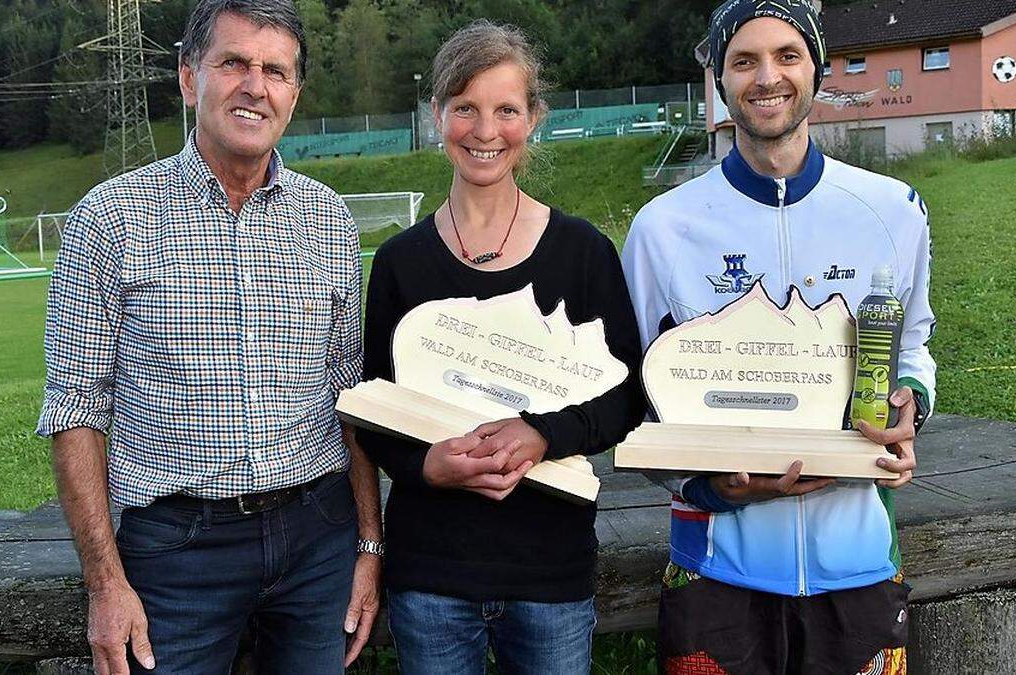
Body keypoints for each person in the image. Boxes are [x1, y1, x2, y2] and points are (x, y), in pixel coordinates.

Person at [36, 1, 382, 673]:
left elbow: (350, 395)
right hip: (174, 548)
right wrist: (106, 583)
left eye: (274, 70)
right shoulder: (109, 222)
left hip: (318, 534)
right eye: (233, 63)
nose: (255, 84)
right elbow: (75, 410)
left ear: (294, 93)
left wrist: (368, 543)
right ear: (190, 77)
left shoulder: (330, 220)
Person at [621, 1, 936, 673]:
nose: (768, 77)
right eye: (744, 60)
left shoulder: (894, 211)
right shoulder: (661, 228)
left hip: (858, 571)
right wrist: (713, 486)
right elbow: (639, 407)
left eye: (788, 55)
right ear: (721, 81)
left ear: (817, 71)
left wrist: (911, 399)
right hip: (714, 574)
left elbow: (912, 350)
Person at [356, 19, 646, 675]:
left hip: (550, 573)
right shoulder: (401, 262)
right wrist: (430, 465)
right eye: (466, 108)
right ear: (438, 115)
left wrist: (542, 433)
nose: (486, 131)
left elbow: (627, 396)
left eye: (506, 109)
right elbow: (373, 410)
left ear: (533, 118)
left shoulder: (582, 253)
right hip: (430, 574)